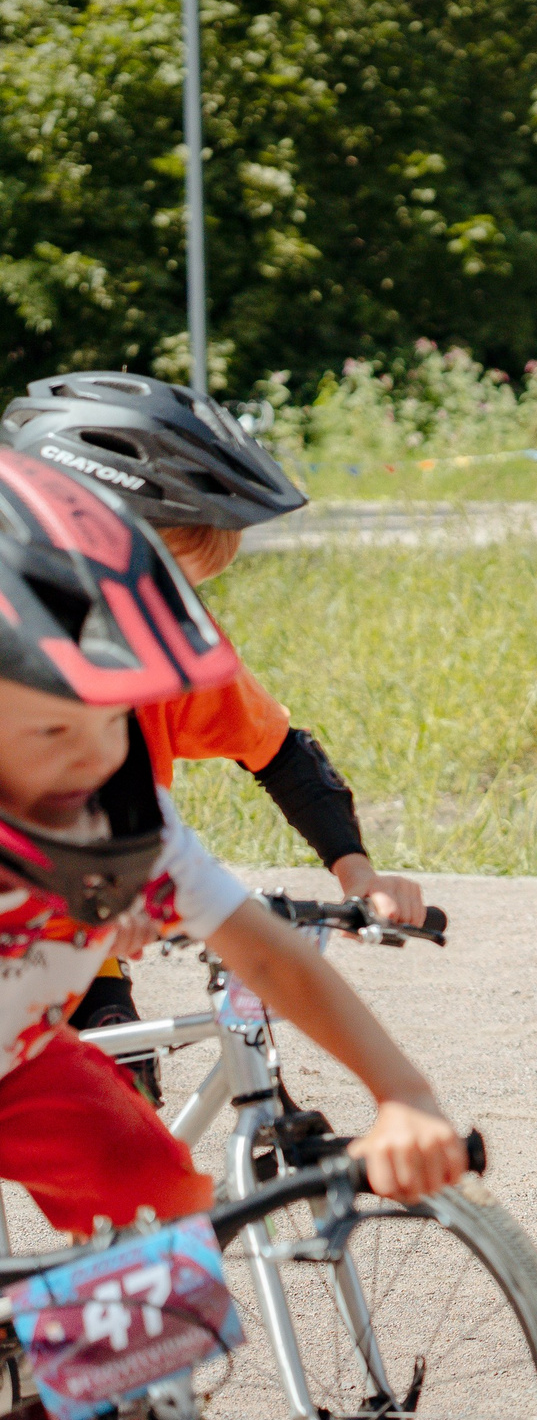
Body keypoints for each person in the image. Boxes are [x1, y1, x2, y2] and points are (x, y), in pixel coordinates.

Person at [0, 447, 465, 1250]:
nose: (94, 756)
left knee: (163, 1206)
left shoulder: (124, 813)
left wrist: (404, 1093)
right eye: (52, 727)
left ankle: (127, 1373)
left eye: (116, 719)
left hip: (21, 1063)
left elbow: (272, 956)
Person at [5, 373, 430, 1098]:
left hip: (71, 943)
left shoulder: (169, 667)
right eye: (154, 579)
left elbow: (283, 754)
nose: (166, 621)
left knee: (121, 1109)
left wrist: (356, 872)